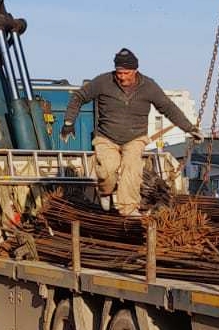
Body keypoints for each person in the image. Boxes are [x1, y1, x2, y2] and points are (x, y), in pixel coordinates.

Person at [61, 49, 201, 217]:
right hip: (106, 137)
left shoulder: (149, 86)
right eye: (119, 72)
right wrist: (69, 123)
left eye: (126, 73)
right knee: (107, 170)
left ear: (135, 70)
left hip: (135, 137)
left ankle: (128, 210)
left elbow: (168, 107)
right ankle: (105, 191)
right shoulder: (103, 82)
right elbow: (78, 97)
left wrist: (189, 128)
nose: (122, 77)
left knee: (132, 169)